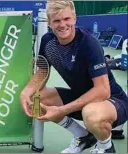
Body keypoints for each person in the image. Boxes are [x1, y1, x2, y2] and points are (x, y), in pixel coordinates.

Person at [20, 1, 127, 153]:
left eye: (67, 19)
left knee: (92, 114)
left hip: (112, 101)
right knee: (37, 99)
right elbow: (42, 72)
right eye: (56, 20)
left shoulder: (89, 43)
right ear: (49, 23)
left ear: (75, 18)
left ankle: (106, 147)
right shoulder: (47, 41)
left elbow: (103, 91)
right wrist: (25, 92)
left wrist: (61, 110)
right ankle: (83, 136)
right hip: (81, 97)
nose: (62, 25)